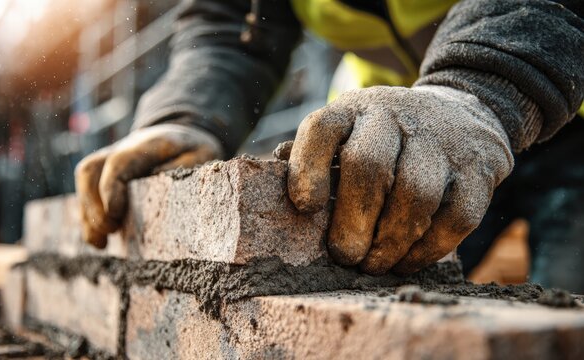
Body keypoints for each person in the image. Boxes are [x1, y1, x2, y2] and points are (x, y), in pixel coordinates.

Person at [75, 0, 583, 288]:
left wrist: (484, 84)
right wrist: (187, 114)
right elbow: (231, 24)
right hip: (406, 146)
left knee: (563, 309)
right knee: (388, 301)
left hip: (569, 125)